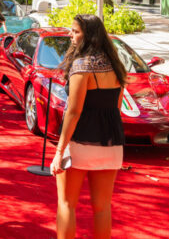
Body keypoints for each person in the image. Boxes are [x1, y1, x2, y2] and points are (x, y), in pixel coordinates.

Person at [51, 14, 127, 239]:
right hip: (111, 143)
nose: (70, 35)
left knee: (66, 203)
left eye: (75, 32)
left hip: (79, 142)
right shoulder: (116, 65)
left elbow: (74, 112)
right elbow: (117, 107)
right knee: (103, 207)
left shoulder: (81, 66)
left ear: (89, 36)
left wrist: (59, 151)